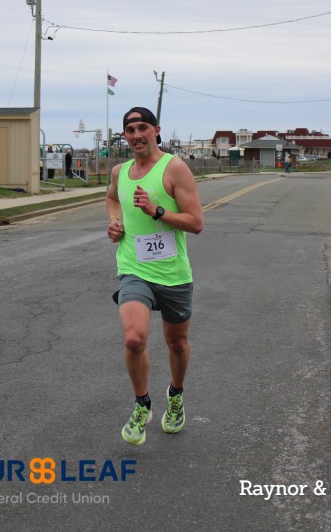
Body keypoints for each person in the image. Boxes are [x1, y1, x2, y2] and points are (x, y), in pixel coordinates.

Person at [106, 106, 204, 446]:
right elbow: (111, 199)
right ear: (124, 136)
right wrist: (115, 221)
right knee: (134, 338)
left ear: (156, 130)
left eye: (143, 128)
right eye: (130, 130)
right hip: (133, 268)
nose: (137, 135)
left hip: (173, 272)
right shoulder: (119, 172)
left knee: (177, 342)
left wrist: (157, 211)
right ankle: (142, 403)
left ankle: (175, 395)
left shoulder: (174, 168)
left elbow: (196, 222)